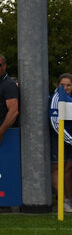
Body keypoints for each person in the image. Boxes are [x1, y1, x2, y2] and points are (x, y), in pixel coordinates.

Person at [49, 73, 72, 211]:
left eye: (68, 85)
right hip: (57, 139)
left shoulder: (70, 99)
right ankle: (62, 201)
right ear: (58, 85)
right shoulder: (55, 99)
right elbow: (55, 124)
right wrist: (69, 139)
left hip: (69, 141)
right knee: (57, 168)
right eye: (62, 85)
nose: (65, 87)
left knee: (68, 168)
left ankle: (69, 200)